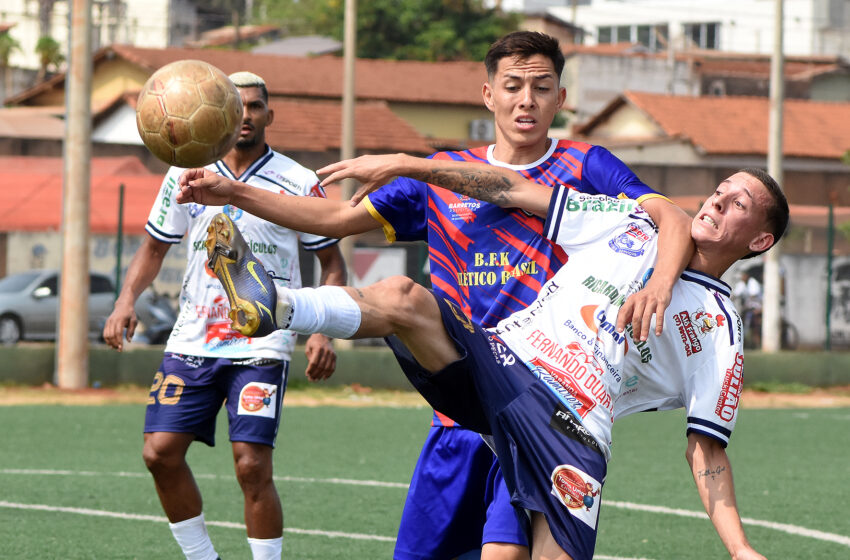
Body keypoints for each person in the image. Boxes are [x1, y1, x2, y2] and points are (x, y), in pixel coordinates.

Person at [174, 31, 693, 560]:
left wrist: (659, 284)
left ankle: (285, 305)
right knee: (402, 301)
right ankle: (278, 305)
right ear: (488, 94)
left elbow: (669, 216)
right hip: (459, 408)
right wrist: (234, 192)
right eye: (513, 86)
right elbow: (335, 217)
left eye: (542, 87)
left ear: (561, 99)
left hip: (539, 410)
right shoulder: (441, 174)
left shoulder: (587, 166)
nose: (527, 100)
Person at [187, 157, 786, 560]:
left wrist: (739, 549)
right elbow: (509, 188)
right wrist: (404, 164)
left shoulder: (720, 333)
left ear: (759, 240)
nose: (717, 202)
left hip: (569, 431)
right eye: (720, 191)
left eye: (739, 204)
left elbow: (706, 449)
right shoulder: (632, 224)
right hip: (503, 361)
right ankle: (279, 305)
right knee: (405, 298)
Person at [102, 72, 346, 560]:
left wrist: (324, 329)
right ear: (220, 113)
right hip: (192, 340)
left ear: (267, 117)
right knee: (159, 454)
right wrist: (125, 299)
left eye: (257, 107)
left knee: (251, 465)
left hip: (262, 342)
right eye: (239, 107)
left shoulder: (299, 181)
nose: (247, 116)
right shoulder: (184, 173)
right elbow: (153, 247)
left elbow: (332, 262)